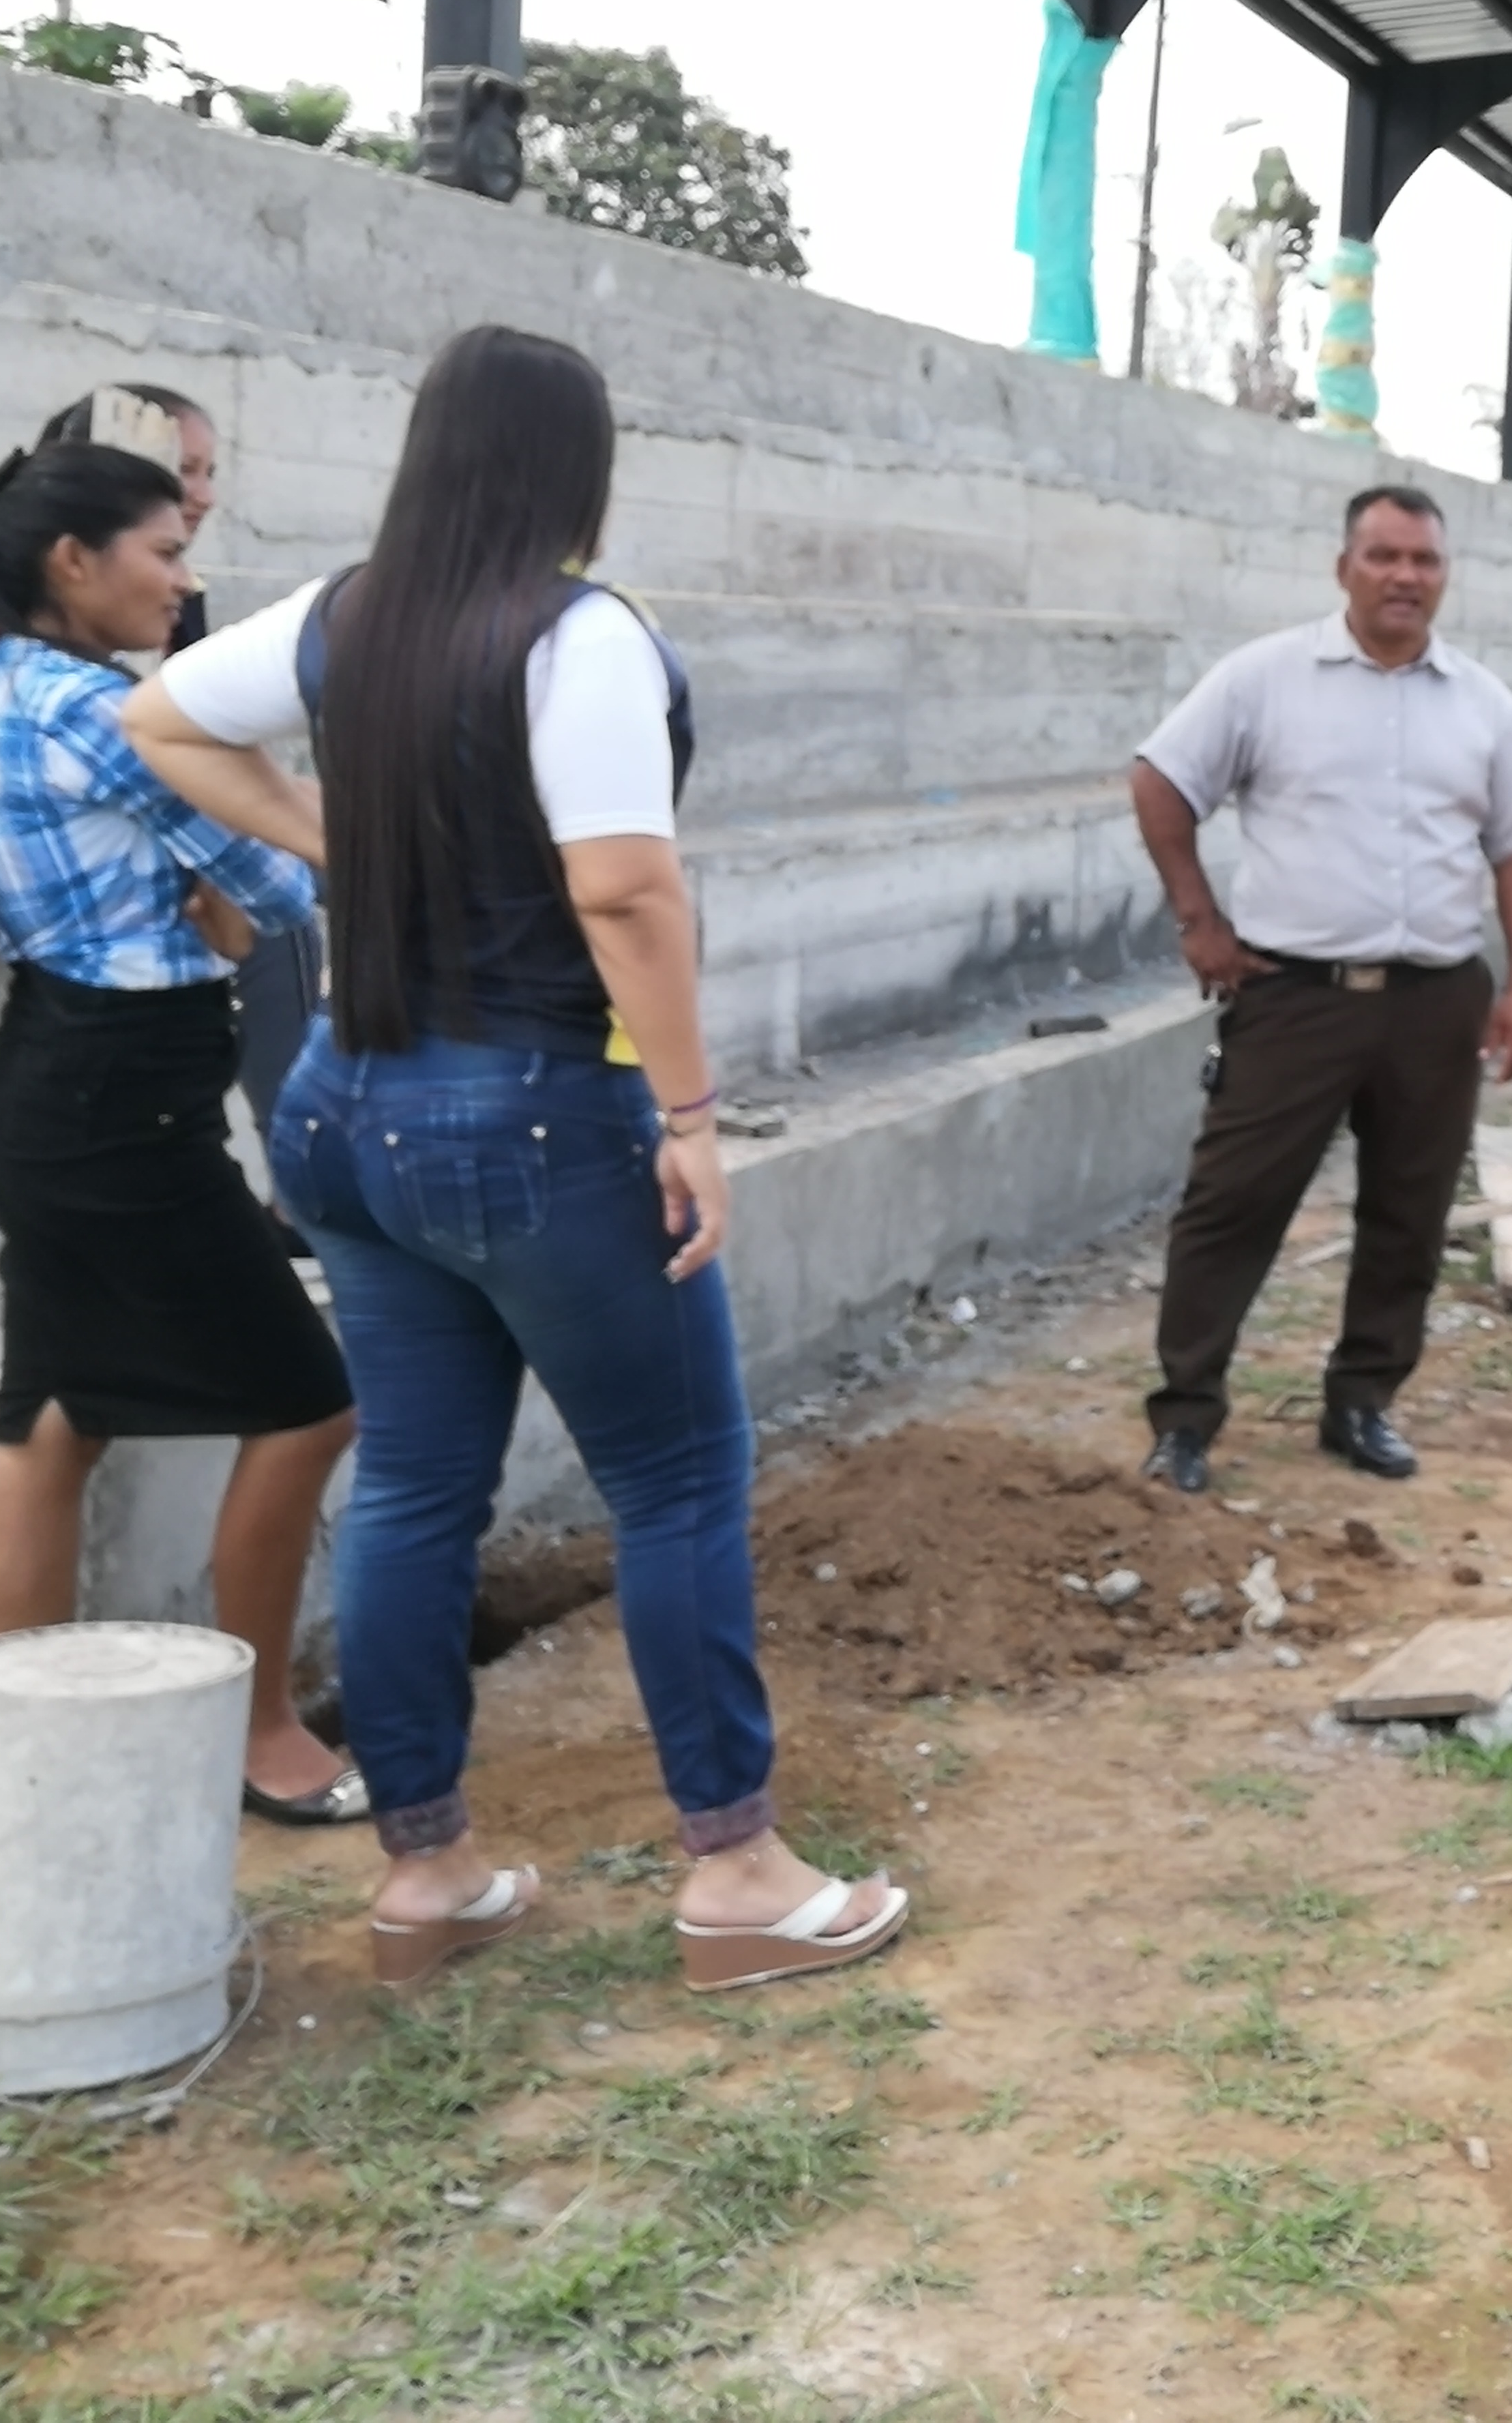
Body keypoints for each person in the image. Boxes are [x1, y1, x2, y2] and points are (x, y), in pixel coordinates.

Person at [125, 325, 903, 1995]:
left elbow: (161, 718)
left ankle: (429, 1870)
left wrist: (338, 836)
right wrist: (691, 1118)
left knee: (416, 1485)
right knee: (675, 1480)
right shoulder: (579, 636)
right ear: (576, 470)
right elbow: (621, 888)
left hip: (347, 1106)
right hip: (532, 1113)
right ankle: (736, 1868)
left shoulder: (346, 617)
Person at [0, 437, 363, 1824]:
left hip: (56, 1092)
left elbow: (232, 891)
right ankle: (259, 1733)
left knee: (53, 1413)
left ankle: (24, 1752)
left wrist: (221, 893)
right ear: (73, 560)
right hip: (122, 1114)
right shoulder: (104, 711)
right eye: (164, 551)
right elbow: (277, 886)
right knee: (310, 1403)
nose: (183, 580)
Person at [1127, 481, 1512, 1496]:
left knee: (1410, 1211)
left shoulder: (1483, 704)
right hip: (1296, 998)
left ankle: (1362, 1402)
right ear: (1345, 568)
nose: (1405, 577)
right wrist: (1198, 921)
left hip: (1436, 1001)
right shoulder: (1265, 679)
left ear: (1444, 576)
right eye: (1385, 557)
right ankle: (1186, 1416)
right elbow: (1161, 780)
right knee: (1233, 1204)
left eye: (1424, 560)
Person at [0, 381, 323, 1156]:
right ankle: (302, 1158)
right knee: (275, 907)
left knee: (286, 861)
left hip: (47, 824)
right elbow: (181, 771)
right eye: (180, 470)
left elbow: (208, 760)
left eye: (206, 473)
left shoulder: (146, 596)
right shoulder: (16, 609)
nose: (202, 495)